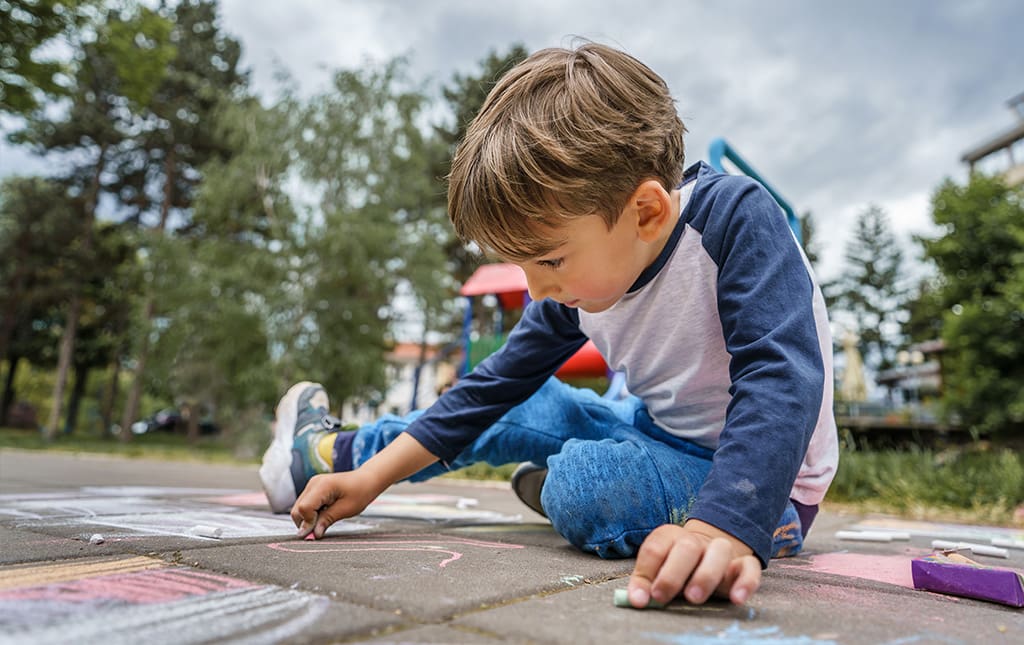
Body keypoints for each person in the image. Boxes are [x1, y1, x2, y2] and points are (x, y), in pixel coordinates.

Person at [258, 42, 838, 609]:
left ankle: (659, 504)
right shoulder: (578, 282)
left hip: (770, 486)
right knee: (520, 406)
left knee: (589, 485)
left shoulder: (736, 220)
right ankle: (329, 458)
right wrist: (373, 481)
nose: (536, 290)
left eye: (550, 261)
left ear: (646, 211)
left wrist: (723, 528)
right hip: (654, 430)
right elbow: (491, 389)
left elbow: (780, 376)